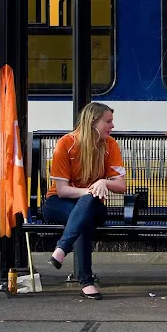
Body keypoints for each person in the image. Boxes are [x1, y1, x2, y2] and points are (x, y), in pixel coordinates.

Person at [46, 102, 126, 300]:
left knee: (85, 212)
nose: (112, 126)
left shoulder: (110, 145)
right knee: (83, 218)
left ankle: (62, 248)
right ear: (93, 122)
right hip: (58, 203)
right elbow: (63, 191)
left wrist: (103, 182)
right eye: (108, 121)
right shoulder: (66, 144)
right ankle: (86, 282)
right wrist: (91, 190)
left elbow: (121, 186)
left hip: (94, 206)